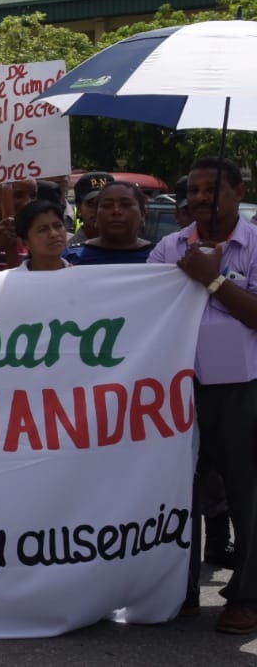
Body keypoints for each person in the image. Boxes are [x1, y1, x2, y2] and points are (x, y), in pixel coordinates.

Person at [149, 157, 257, 634]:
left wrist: (213, 279)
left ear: (239, 191)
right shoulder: (169, 247)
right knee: (177, 491)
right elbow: (145, 311)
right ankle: (182, 588)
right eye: (192, 190)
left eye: (210, 190)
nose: (198, 198)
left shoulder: (255, 245)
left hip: (240, 390)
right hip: (177, 388)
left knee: (246, 493)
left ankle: (246, 596)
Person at [62, 181, 154, 265]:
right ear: (96, 216)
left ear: (142, 214)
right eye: (107, 206)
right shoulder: (69, 258)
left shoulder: (158, 258)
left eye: (125, 205)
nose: (116, 211)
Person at [12, 199, 69, 271]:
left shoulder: (78, 275)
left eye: (58, 226)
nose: (54, 234)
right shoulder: (13, 278)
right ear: (24, 243)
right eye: (43, 230)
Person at [69, 171, 115, 246]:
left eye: (106, 204)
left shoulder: (129, 245)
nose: (98, 210)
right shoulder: (69, 250)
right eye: (91, 204)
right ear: (79, 208)